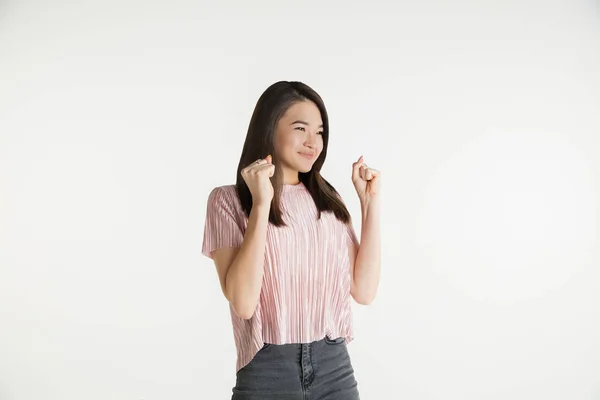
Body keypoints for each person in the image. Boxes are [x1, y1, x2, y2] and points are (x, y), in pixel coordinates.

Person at [201, 81, 381, 399]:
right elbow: (242, 302)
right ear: (270, 128)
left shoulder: (327, 201)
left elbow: (364, 291)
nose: (314, 143)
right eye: (301, 128)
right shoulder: (228, 201)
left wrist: (369, 204)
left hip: (334, 368)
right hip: (267, 370)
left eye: (320, 132)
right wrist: (261, 203)